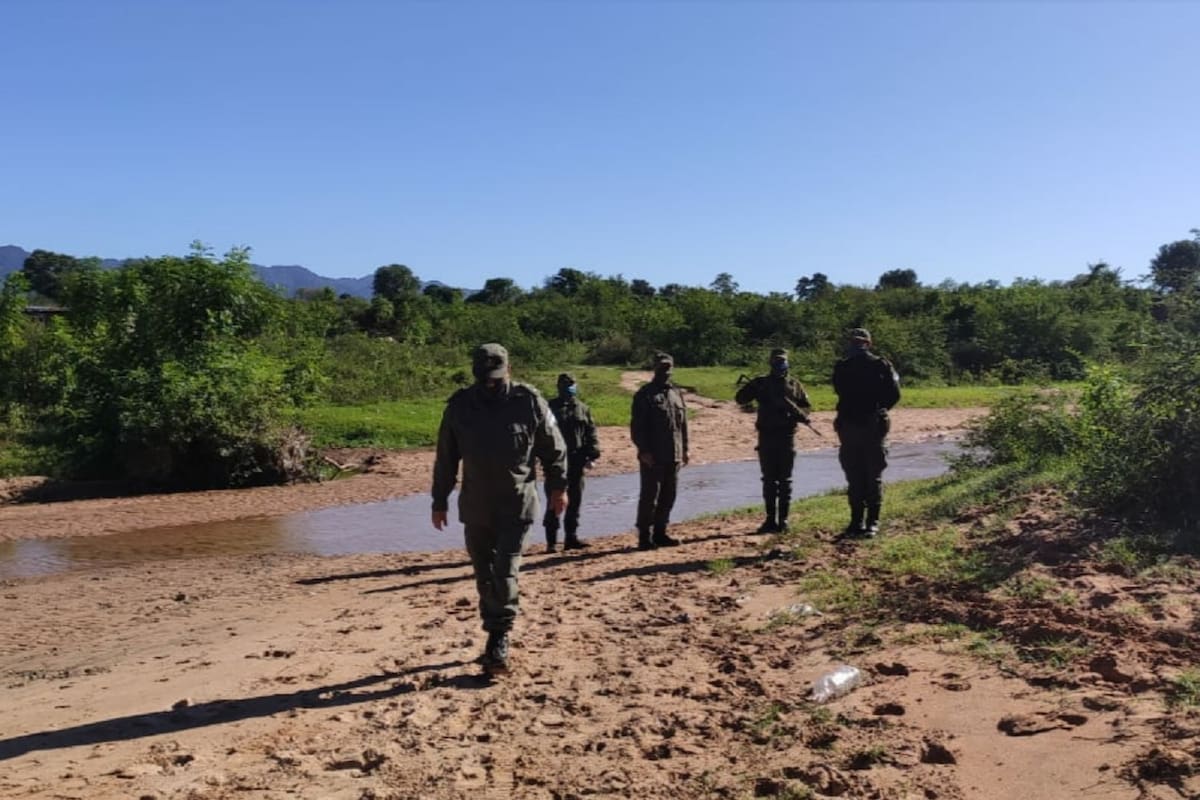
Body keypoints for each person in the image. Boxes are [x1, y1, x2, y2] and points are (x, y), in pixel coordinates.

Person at [431, 342, 568, 675]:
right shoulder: (460, 407)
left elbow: (555, 449)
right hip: (476, 507)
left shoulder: (530, 402)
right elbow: (446, 458)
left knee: (505, 573)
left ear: (508, 368)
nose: (490, 384)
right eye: (484, 378)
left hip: (517, 505)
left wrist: (559, 488)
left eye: (495, 377)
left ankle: (498, 639)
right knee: (485, 576)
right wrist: (439, 500)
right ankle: (495, 629)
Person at [832, 328, 901, 538]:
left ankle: (872, 522)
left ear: (868, 344)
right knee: (853, 476)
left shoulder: (881, 365)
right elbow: (839, 391)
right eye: (853, 342)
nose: (857, 345)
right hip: (849, 426)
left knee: (873, 475)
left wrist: (878, 411)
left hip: (872, 426)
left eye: (861, 342)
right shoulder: (842, 367)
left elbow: (894, 394)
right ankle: (855, 522)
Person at [734, 347, 812, 533]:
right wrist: (755, 390)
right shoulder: (761, 383)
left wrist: (795, 414)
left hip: (787, 437)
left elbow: (806, 408)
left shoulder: (795, 384)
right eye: (776, 361)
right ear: (771, 362)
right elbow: (740, 399)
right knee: (769, 480)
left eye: (783, 361)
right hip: (767, 436)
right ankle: (770, 520)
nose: (780, 364)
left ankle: (783, 520)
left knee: (785, 480)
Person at [630, 352, 689, 550]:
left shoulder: (676, 393)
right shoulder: (645, 394)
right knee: (649, 497)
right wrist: (643, 450)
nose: (666, 371)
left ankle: (661, 533)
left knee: (668, 495)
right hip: (653, 456)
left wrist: (685, 450)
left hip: (674, 453)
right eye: (662, 367)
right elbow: (637, 427)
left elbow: (683, 426)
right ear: (654, 368)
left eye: (668, 367)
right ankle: (644, 537)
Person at [543, 372, 601, 553]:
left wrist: (593, 453)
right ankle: (551, 542)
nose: (569, 388)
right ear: (558, 387)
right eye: (566, 385)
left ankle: (571, 538)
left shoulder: (582, 408)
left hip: (577, 460)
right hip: (555, 463)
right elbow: (542, 434)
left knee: (575, 501)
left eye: (571, 385)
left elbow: (591, 432)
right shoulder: (549, 408)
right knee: (554, 501)